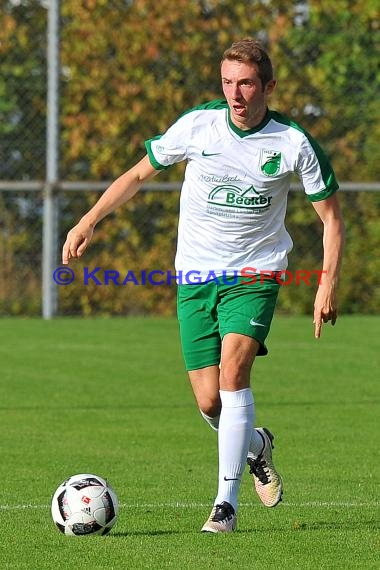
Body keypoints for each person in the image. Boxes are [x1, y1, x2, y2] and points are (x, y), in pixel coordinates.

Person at [62, 38, 345, 533]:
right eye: (228, 82)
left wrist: (326, 284)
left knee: (236, 373)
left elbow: (332, 219)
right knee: (210, 401)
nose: (235, 93)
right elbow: (137, 174)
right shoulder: (198, 125)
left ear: (268, 87)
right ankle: (257, 446)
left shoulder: (294, 143)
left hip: (256, 274)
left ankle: (225, 505)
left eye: (247, 83)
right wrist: (88, 221)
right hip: (195, 274)